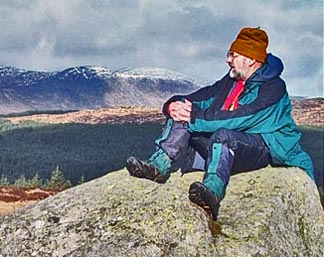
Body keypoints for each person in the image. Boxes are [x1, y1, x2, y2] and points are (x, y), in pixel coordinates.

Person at [125, 27, 315, 221]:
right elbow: (201, 98)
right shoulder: (232, 80)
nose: (228, 59)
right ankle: (158, 167)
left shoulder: (273, 88)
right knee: (183, 110)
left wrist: (193, 116)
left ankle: (212, 192)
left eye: (233, 54)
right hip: (230, 143)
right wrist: (172, 105)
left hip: (263, 147)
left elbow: (238, 119)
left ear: (250, 59)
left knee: (221, 133)